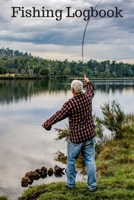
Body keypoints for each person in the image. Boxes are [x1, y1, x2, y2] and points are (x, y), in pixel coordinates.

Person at [42, 74, 97, 192]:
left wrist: (47, 124)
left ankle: (71, 184)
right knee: (90, 160)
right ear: (81, 89)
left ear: (72, 90)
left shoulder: (70, 104)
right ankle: (92, 186)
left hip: (76, 138)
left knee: (71, 160)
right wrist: (88, 81)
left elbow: (59, 115)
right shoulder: (88, 97)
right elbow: (91, 90)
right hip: (89, 135)